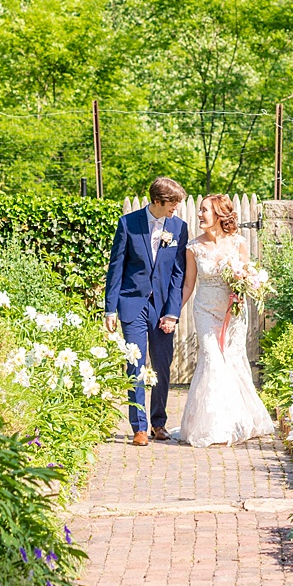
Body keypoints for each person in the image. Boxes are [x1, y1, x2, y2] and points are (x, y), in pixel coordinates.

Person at [178, 193, 274, 447]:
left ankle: (237, 421)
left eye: (204, 210)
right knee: (211, 362)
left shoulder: (238, 243)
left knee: (232, 362)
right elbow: (188, 285)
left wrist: (242, 293)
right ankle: (213, 427)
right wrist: (173, 312)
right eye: (199, 210)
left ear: (219, 215)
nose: (200, 214)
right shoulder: (193, 247)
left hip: (233, 316)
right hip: (205, 313)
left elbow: (246, 277)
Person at [104, 177, 189, 446]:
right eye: (172, 204)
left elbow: (178, 274)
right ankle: (138, 428)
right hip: (132, 304)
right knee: (135, 366)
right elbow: (116, 267)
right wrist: (110, 309)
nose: (175, 209)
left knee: (163, 365)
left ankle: (158, 423)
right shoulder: (128, 223)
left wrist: (172, 312)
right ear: (157, 201)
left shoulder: (178, 228)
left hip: (163, 307)